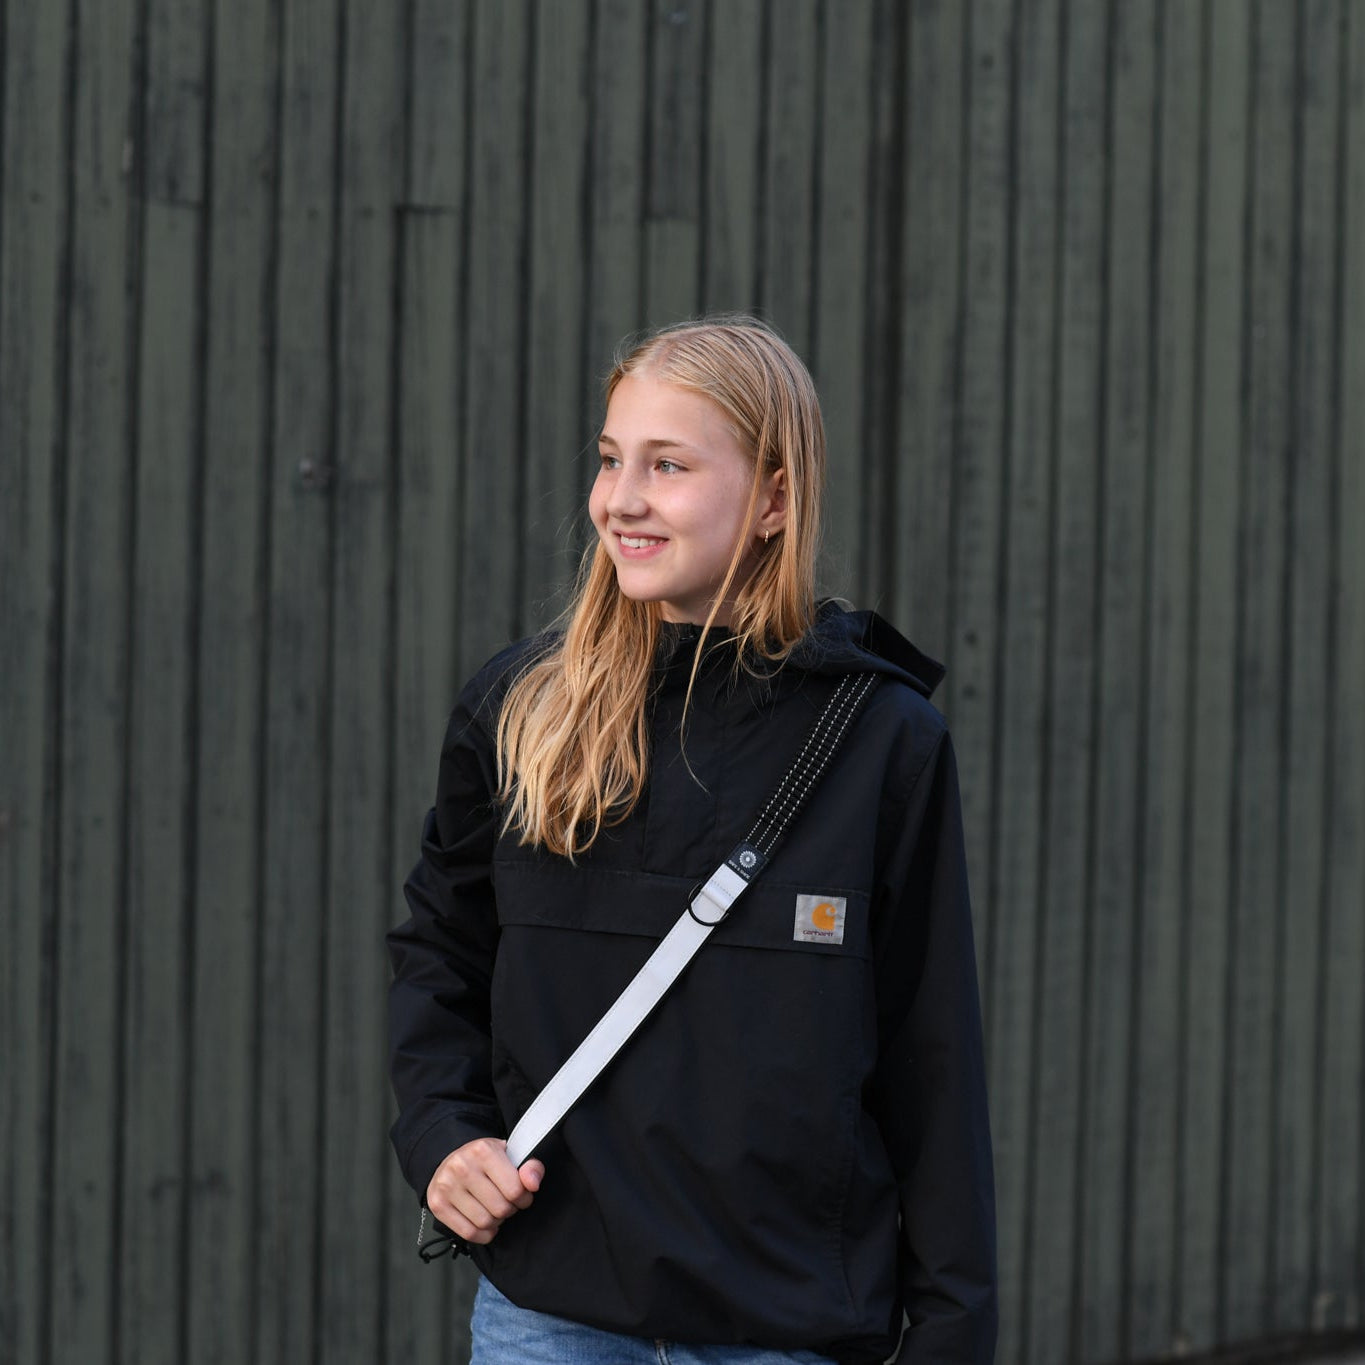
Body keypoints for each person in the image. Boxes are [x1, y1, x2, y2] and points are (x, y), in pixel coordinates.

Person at [387, 315, 997, 1364]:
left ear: (772, 496)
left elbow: (929, 1057)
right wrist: (445, 1137)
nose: (621, 498)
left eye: (668, 465)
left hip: (785, 1333)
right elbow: (441, 956)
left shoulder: (881, 741)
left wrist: (950, 1335)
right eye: (613, 459)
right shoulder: (521, 711)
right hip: (551, 1325)